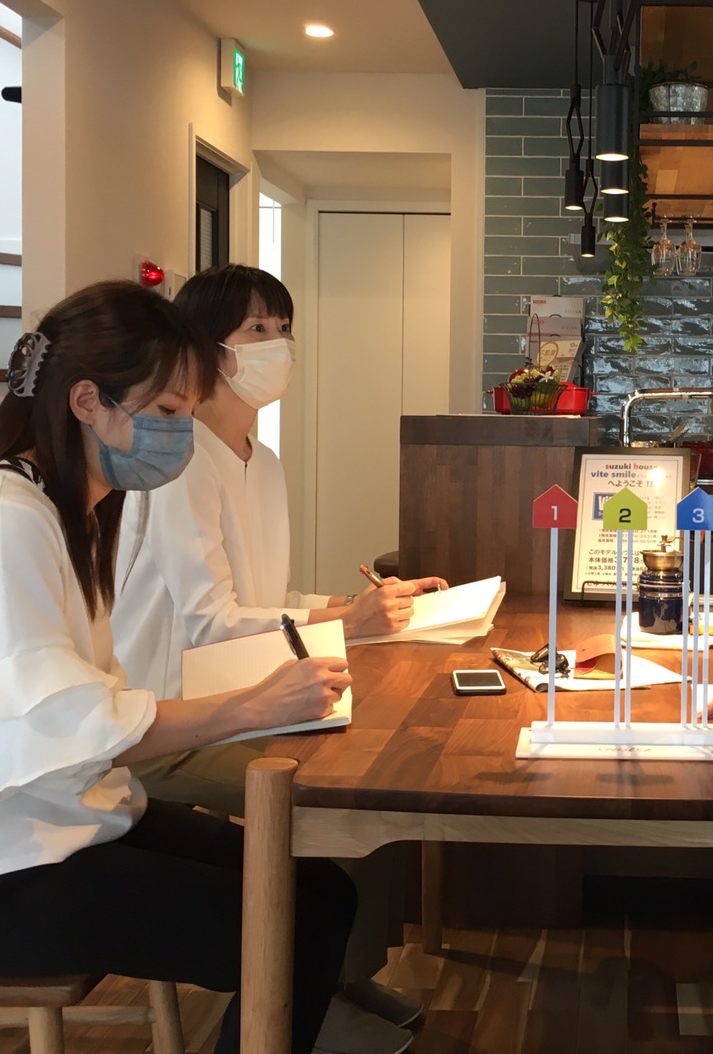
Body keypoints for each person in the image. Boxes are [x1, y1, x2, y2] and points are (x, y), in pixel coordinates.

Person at [0, 282, 356, 1054]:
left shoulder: (66, 510)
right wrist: (251, 707)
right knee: (292, 927)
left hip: (66, 824)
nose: (182, 432)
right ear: (86, 402)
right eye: (167, 411)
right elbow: (69, 728)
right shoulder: (3, 521)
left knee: (322, 890)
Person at [110, 264, 440, 1051]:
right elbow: (210, 622)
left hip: (249, 694)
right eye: (257, 329)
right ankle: (314, 1000)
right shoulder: (181, 461)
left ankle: (340, 980)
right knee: (351, 797)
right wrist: (348, 622)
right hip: (174, 720)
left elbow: (268, 597)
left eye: (283, 328)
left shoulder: (262, 459)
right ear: (207, 348)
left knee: (385, 769)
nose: (278, 345)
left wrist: (360, 606)